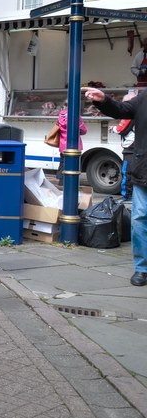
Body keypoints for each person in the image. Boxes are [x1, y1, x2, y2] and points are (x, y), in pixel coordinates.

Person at [83, 86, 147, 286]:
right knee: (139, 219)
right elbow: (121, 109)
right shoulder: (144, 97)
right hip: (145, 171)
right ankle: (142, 268)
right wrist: (104, 100)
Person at [55, 107, 87, 179]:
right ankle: (67, 181)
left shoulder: (61, 115)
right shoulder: (75, 115)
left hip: (63, 143)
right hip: (73, 144)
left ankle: (60, 179)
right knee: (72, 165)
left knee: (63, 161)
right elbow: (83, 130)